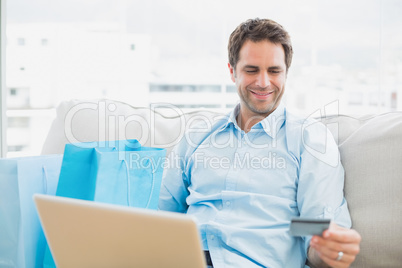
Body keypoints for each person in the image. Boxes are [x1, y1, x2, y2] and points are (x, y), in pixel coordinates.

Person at [158, 18, 361, 267]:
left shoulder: (310, 140)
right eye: (252, 70)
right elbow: (160, 216)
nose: (264, 82)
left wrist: (330, 250)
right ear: (232, 71)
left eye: (274, 71)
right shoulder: (198, 137)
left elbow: (315, 232)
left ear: (286, 73)